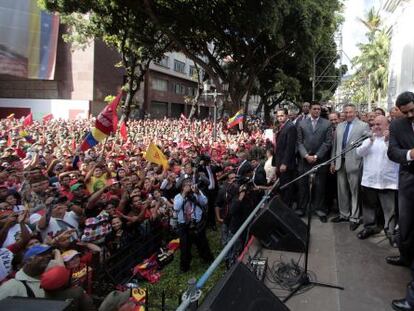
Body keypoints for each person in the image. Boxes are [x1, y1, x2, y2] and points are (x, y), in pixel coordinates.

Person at [388, 92, 414, 311]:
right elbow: (393, 152)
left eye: (413, 110)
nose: (411, 115)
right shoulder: (397, 126)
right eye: (406, 113)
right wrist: (410, 154)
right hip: (408, 183)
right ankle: (406, 257)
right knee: (405, 229)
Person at [355, 116, 398, 241]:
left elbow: (395, 155)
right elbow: (359, 153)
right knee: (368, 207)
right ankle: (369, 227)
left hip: (388, 181)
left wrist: (387, 140)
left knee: (390, 210)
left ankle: (390, 233)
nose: (376, 127)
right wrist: (370, 141)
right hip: (370, 180)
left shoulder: (393, 139)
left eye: (379, 124)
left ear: (387, 126)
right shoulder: (368, 139)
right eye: (374, 124)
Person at [330, 104, 370, 231]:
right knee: (341, 191)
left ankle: (354, 217)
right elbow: (335, 145)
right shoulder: (340, 126)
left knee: (354, 191)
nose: (348, 114)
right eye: (346, 112)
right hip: (339, 163)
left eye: (350, 112)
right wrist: (332, 162)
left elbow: (366, 145)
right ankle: (344, 214)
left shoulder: (363, 126)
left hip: (354, 164)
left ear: (355, 112)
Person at [296, 102, 333, 222]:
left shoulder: (327, 124)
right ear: (310, 110)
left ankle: (319, 209)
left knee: (320, 186)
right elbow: (299, 142)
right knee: (303, 185)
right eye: (314, 109)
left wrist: (317, 156)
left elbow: (327, 142)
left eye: (318, 109)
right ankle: (302, 208)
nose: (317, 111)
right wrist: (306, 155)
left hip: (320, 160)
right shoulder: (301, 123)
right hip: (304, 160)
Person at [173, 179, 213, 272]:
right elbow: (176, 207)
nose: (189, 186)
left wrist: (198, 193)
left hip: (197, 223)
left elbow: (204, 202)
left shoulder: (196, 193)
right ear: (182, 187)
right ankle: (184, 267)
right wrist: (184, 194)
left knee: (202, 243)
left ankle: (208, 259)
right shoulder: (178, 197)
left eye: (190, 184)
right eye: (186, 185)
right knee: (185, 247)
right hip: (184, 225)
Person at [272, 108, 297, 207]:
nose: (279, 118)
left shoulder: (290, 127)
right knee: (283, 186)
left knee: (287, 188)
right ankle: (285, 206)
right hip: (280, 162)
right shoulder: (282, 126)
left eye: (281, 115)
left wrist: (284, 163)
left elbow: (290, 147)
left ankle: (287, 208)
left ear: (286, 115)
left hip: (286, 164)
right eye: (278, 116)